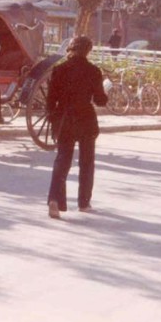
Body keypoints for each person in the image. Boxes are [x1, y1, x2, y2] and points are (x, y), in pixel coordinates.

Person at [46, 35, 109, 218]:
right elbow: (100, 100)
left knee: (62, 160)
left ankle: (54, 200)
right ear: (88, 50)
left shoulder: (59, 70)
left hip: (65, 118)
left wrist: (54, 120)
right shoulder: (93, 71)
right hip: (86, 119)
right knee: (87, 162)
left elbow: (51, 100)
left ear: (71, 48)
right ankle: (83, 202)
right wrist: (106, 92)